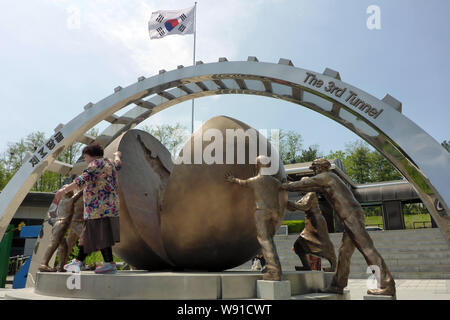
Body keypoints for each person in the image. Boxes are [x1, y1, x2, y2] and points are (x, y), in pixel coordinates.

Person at [281, 158, 396, 296]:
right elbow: (308, 187)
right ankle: (337, 285)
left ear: (321, 167)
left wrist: (282, 185)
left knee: (367, 249)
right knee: (344, 252)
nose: (315, 171)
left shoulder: (326, 176)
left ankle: (387, 284)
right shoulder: (327, 178)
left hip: (351, 216)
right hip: (350, 217)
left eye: (315, 168)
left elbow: (303, 185)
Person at [55, 143, 122, 274]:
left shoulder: (95, 164)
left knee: (95, 234)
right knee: (93, 235)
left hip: (98, 207)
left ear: (90, 155)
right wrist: (117, 155)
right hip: (110, 207)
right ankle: (80, 262)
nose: (85, 160)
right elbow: (118, 164)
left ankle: (105, 263)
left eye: (85, 157)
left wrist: (63, 190)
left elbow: (82, 179)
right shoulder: (109, 163)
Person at [225, 155, 287, 281]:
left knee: (264, 240)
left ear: (257, 165)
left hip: (262, 212)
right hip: (275, 213)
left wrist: (233, 179)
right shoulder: (275, 182)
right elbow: (283, 187)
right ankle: (272, 267)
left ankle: (275, 272)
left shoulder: (255, 180)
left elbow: (243, 182)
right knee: (270, 240)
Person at [286, 191, 337, 272]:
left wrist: (288, 203)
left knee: (323, 242)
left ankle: (334, 265)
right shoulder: (305, 196)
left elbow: (304, 206)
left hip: (316, 222)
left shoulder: (311, 194)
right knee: (298, 245)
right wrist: (285, 203)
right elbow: (295, 207)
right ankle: (306, 266)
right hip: (309, 222)